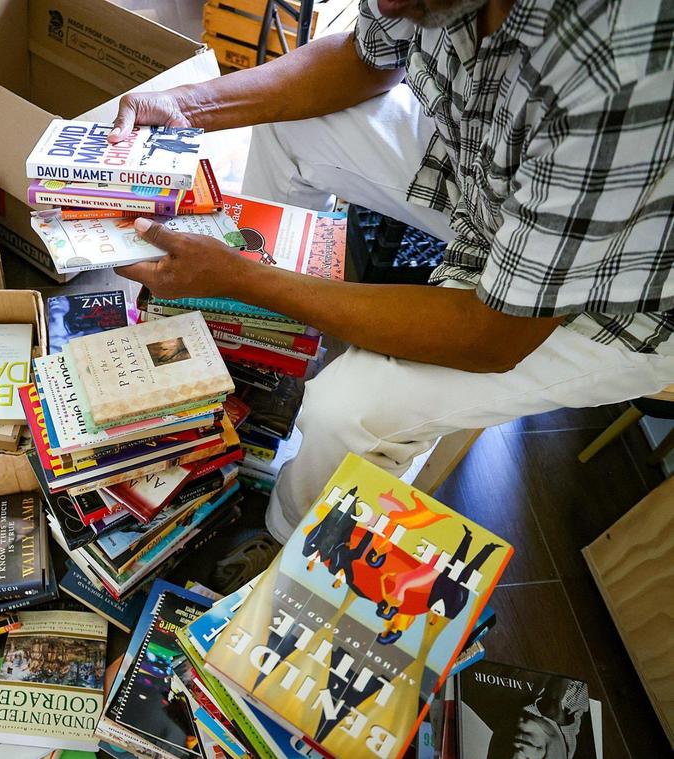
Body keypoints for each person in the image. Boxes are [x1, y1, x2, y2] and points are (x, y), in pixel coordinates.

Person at [107, 0, 674, 541]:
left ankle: (282, 546)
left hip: (601, 301)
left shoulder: (615, 74)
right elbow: (364, 57)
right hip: (485, 172)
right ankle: (261, 347)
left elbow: (491, 337)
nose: (390, 5)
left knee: (347, 412)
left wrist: (243, 278)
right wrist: (190, 103)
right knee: (290, 127)